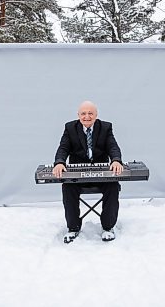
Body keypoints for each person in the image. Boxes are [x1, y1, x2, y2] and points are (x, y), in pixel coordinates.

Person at [52, 100, 123, 243]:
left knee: (113, 185)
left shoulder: (105, 127)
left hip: (100, 174)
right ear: (78, 115)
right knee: (67, 186)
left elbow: (113, 146)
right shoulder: (70, 127)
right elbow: (63, 148)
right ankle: (73, 228)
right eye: (83, 113)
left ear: (96, 115)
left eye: (90, 113)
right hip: (77, 176)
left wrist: (116, 160)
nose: (87, 117)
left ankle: (108, 227)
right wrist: (59, 162)